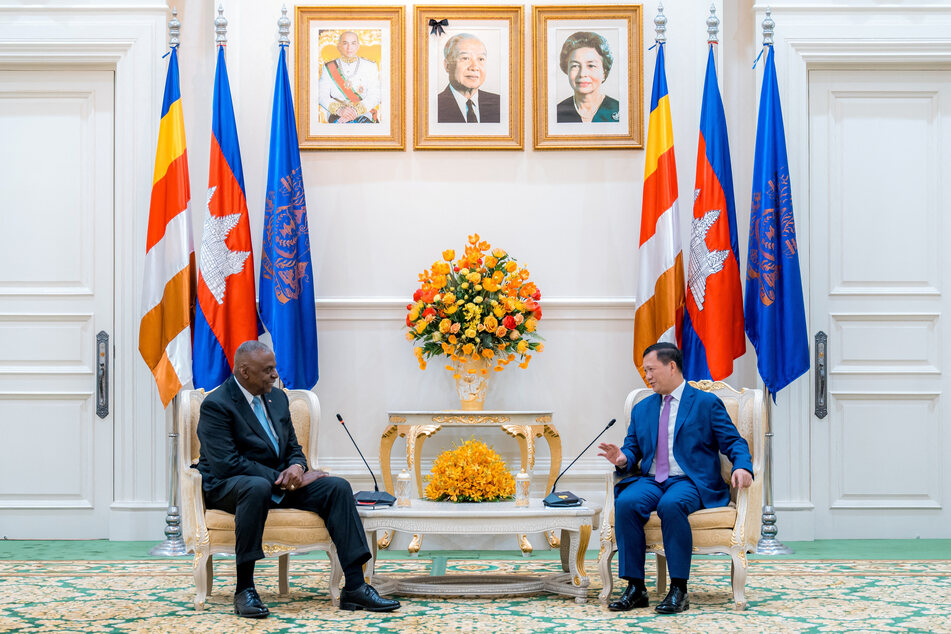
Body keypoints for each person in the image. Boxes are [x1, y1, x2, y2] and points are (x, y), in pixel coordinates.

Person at [195, 340, 399, 617]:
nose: (275, 375)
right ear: (244, 372)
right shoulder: (216, 405)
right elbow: (227, 463)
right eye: (268, 370)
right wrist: (282, 477)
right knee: (255, 487)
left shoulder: (277, 398)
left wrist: (297, 468)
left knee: (337, 488)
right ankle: (244, 589)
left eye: (274, 368)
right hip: (230, 484)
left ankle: (355, 586)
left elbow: (293, 447)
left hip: (278, 482)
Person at [597, 342, 753, 614]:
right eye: (645, 371)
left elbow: (734, 442)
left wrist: (743, 466)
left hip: (690, 481)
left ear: (671, 366)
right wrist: (622, 458)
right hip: (651, 480)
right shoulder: (642, 408)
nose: (648, 376)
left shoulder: (705, 403)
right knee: (627, 502)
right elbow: (632, 448)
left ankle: (678, 589)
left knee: (672, 505)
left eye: (652, 369)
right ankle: (636, 587)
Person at [317, 31, 381, 123]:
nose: (349, 47)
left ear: (358, 46)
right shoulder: (329, 67)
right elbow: (321, 95)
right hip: (336, 115)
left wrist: (355, 111)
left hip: (363, 114)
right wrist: (340, 110)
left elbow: (375, 95)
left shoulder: (370, 66)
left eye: (353, 43)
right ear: (339, 46)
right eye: (345, 43)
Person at [556, 31, 620, 123]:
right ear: (567, 70)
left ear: (604, 72)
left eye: (591, 66)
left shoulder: (620, 111)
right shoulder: (557, 114)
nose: (582, 74)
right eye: (575, 66)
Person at [436, 33, 501, 123]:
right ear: (447, 65)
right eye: (465, 58)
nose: (474, 67)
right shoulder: (433, 107)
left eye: (481, 59)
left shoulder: (500, 104)